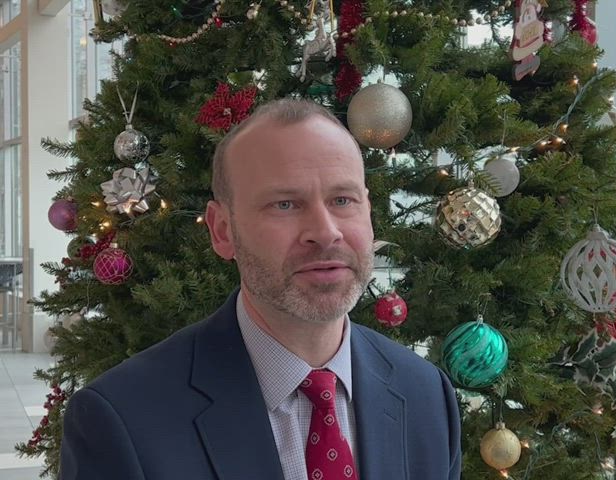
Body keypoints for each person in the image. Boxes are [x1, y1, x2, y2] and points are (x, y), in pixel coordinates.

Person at [60, 99, 462, 480]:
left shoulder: (426, 394)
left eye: (343, 200)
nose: (326, 232)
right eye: (285, 204)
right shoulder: (122, 419)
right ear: (222, 231)